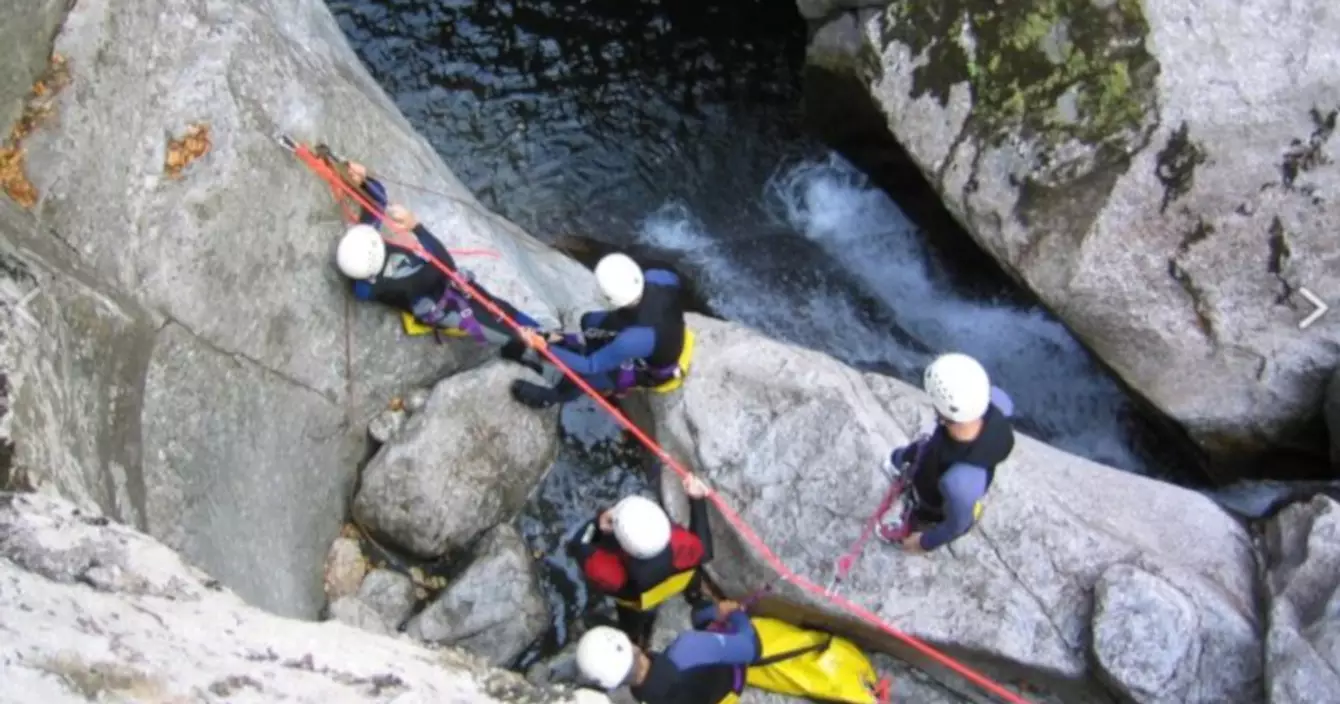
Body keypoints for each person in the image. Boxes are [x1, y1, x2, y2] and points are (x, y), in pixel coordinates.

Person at [331, 159, 548, 368]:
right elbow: (444, 263)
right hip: (445, 307)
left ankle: (533, 336)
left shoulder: (363, 283)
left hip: (435, 293)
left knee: (498, 312)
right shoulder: (413, 281)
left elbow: (377, 201)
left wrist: (363, 179)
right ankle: (523, 348)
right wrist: (416, 226)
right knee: (498, 318)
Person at [509, 253, 688, 409]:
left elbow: (591, 365)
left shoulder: (633, 340)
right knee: (588, 321)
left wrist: (544, 347)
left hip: (652, 366)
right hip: (646, 324)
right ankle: (587, 347)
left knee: (585, 376)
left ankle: (551, 398)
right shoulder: (661, 275)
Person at [877, 352, 1016, 553]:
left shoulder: (959, 483)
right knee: (917, 453)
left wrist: (923, 543)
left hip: (934, 496)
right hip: (937, 451)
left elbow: (957, 525)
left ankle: (914, 525)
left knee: (926, 509)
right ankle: (900, 462)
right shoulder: (997, 402)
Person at [571, 474, 713, 649]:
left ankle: (633, 637)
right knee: (693, 578)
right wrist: (697, 499)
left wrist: (597, 523)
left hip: (635, 600)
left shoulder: (609, 572)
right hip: (679, 580)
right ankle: (694, 596)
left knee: (629, 620)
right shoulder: (681, 545)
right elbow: (704, 551)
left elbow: (578, 545)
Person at [575, 599, 757, 702]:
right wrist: (736, 614)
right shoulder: (688, 649)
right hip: (734, 677)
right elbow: (750, 649)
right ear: (634, 647)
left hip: (720, 698)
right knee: (702, 613)